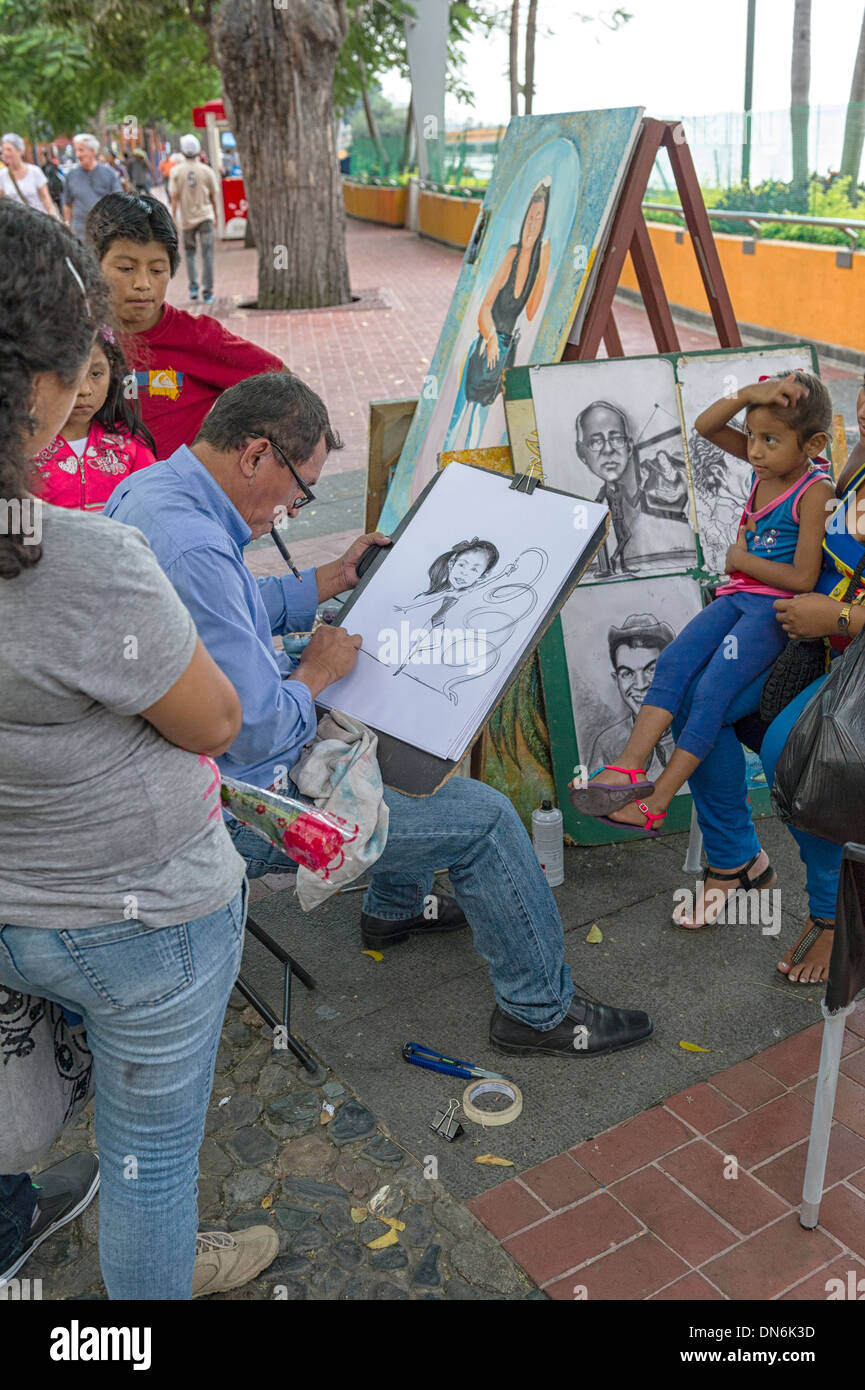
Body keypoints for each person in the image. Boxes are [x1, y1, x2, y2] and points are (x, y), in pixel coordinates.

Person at [105, 371, 653, 1060]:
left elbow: (236, 604)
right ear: (254, 456)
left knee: (389, 731)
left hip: (164, 776)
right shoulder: (194, 544)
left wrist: (330, 579)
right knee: (483, 820)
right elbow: (258, 730)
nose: (292, 511)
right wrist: (316, 674)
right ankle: (539, 1012)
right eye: (299, 492)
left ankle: (393, 911)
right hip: (228, 809)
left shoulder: (155, 493)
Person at [0, 201, 277, 1298]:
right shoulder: (85, 558)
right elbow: (217, 722)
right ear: (41, 387)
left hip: (15, 910)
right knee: (149, 1159)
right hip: (140, 920)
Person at [571, 372, 834, 838]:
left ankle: (657, 800)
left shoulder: (814, 491)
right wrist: (749, 395)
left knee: (711, 690)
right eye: (751, 436)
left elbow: (802, 579)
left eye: (769, 440)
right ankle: (630, 767)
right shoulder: (769, 466)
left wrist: (740, 558)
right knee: (672, 660)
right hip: (737, 598)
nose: (754, 450)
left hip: (769, 612)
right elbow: (706, 426)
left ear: (812, 444)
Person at [85, 192, 284, 458]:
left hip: (168, 496)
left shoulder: (198, 338)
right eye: (125, 268)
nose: (143, 284)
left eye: (157, 270)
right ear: (93, 265)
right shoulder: (73, 334)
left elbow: (283, 386)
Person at [448, 179, 552, 450]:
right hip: (486, 345)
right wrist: (491, 337)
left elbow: (530, 311)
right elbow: (484, 306)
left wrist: (546, 261)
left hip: (506, 353)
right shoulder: (511, 254)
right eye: (530, 216)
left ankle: (471, 471)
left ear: (543, 224)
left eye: (538, 218)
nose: (532, 223)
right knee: (458, 418)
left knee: (481, 427)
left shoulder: (536, 262)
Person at [32, 325, 156, 511]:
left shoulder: (131, 444)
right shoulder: (24, 448)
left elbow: (153, 511)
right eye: (68, 375)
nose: (84, 390)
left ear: (112, 372)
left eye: (96, 374)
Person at [587, 614, 676, 779]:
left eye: (651, 669)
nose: (641, 685)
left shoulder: (692, 731)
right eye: (627, 673)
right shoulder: (607, 744)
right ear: (616, 680)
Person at [169, 134, 220, 305]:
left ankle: (193, 288)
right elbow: (214, 196)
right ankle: (208, 292)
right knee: (208, 255)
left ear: (183, 151)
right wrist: (217, 216)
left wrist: (174, 218)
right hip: (205, 216)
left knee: (190, 254)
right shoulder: (207, 171)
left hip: (187, 220)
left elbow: (174, 197)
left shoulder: (176, 171)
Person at [62, 134, 121, 240]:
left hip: (105, 233)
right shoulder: (71, 176)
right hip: (80, 233)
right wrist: (67, 225)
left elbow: (119, 201)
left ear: (93, 151)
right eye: (76, 151)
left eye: (81, 150)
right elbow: (67, 204)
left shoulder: (109, 174)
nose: (78, 155)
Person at [0, 133, 59, 217]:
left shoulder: (35, 172)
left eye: (9, 150)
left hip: (37, 221)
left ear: (20, 151)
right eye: (3, 151)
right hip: (16, 224)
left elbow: (46, 199)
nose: (5, 154)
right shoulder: (2, 176)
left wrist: (53, 218)